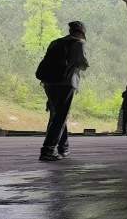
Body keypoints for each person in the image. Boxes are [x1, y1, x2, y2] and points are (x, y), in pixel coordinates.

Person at [36, 21, 89, 161]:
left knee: (57, 114)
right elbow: (82, 63)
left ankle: (63, 148)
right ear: (81, 32)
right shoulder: (79, 43)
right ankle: (48, 150)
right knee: (60, 116)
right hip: (66, 83)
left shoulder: (55, 42)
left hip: (48, 83)